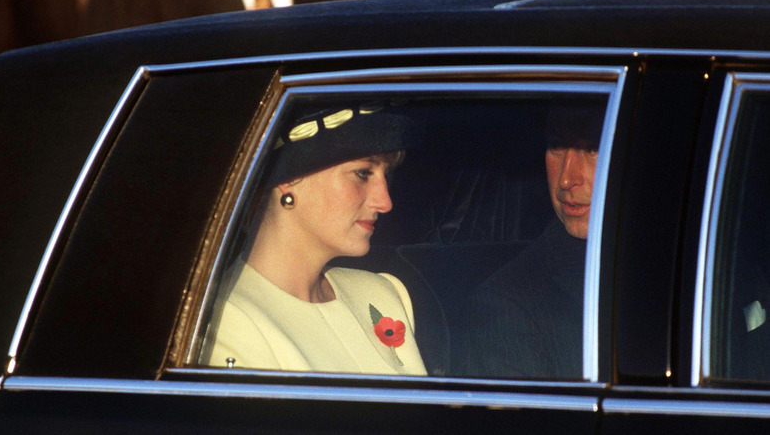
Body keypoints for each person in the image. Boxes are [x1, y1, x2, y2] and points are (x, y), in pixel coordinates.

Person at [202, 104, 427, 376]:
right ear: (290, 177)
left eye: (386, 175)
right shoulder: (229, 323)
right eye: (363, 173)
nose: (385, 202)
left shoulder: (381, 294)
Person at [464, 102, 604, 379]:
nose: (566, 179)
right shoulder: (507, 306)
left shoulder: (699, 265)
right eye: (556, 146)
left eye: (591, 149)